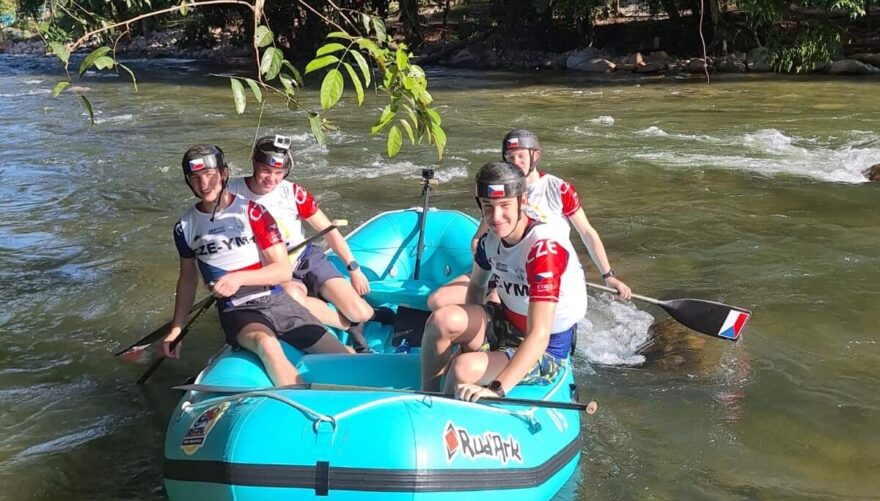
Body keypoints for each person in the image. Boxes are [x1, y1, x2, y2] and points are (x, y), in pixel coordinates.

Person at [161, 144, 349, 385]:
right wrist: (176, 328)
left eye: (209, 174)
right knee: (266, 343)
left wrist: (238, 278)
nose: (204, 184)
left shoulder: (253, 212)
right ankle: (300, 399)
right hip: (236, 309)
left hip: (277, 299)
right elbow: (187, 279)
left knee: (343, 356)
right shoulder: (184, 227)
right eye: (195, 178)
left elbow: (282, 270)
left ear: (224, 173)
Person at [420, 161, 588, 401]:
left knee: (462, 368)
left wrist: (496, 389)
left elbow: (539, 333)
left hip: (547, 348)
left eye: (504, 205)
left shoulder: (543, 249)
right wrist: (469, 340)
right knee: (441, 320)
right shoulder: (489, 241)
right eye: (488, 206)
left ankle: (442, 411)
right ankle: (426, 396)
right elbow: (477, 287)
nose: (496, 217)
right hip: (506, 324)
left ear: (523, 202)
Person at [427, 128, 632, 309]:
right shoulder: (501, 190)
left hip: (542, 270)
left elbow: (587, 233)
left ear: (536, 155)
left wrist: (608, 276)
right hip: (503, 268)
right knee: (437, 301)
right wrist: (488, 263)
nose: (516, 162)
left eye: (521, 156)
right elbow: (478, 238)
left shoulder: (558, 188)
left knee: (496, 299)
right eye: (510, 157)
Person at [227, 134, 393, 353]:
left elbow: (329, 230)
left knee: (361, 312)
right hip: (275, 269)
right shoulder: (231, 194)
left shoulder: (293, 193)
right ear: (254, 163)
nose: (272, 179)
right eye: (266, 171)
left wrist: (353, 268)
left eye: (279, 173)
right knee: (292, 298)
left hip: (305, 258)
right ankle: (349, 326)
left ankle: (363, 316)